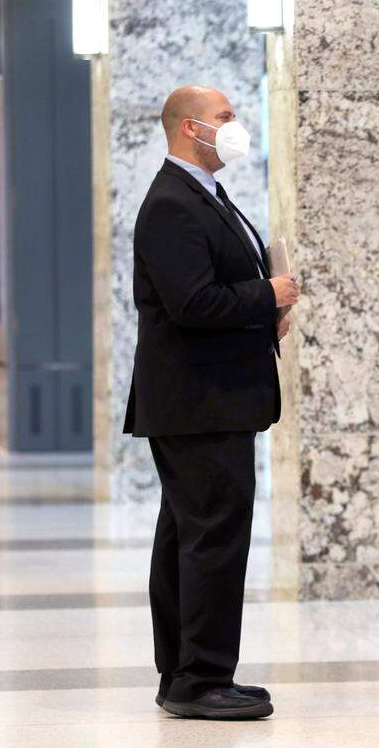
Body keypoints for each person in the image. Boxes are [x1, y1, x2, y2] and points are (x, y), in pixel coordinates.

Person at [123, 86, 300, 720]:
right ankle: (201, 679)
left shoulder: (204, 194)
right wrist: (267, 295)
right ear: (189, 128)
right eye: (224, 117)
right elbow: (193, 304)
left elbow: (213, 291)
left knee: (189, 534)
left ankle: (184, 672)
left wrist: (262, 310)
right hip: (200, 403)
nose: (234, 125)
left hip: (209, 400)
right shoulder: (173, 202)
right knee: (213, 539)